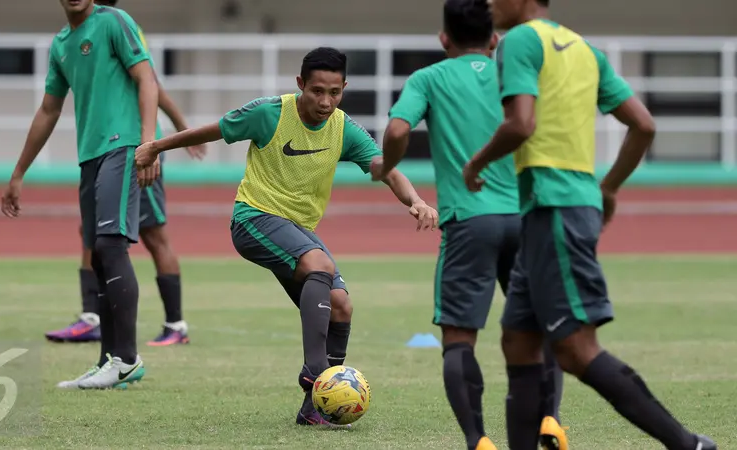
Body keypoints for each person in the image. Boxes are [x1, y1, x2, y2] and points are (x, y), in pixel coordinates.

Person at [134, 47, 439, 426]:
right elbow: (216, 129)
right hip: (254, 219)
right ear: (300, 85)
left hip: (298, 231)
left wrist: (416, 200)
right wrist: (156, 146)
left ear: (343, 87)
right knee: (320, 265)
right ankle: (316, 374)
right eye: (316, 91)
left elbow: (385, 168)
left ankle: (313, 409)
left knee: (341, 305)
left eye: (334, 92)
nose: (325, 101)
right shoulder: (270, 113)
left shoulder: (344, 128)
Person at [463, 0, 718, 449]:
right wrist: (610, 187)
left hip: (554, 209)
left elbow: (521, 124)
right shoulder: (584, 48)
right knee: (518, 342)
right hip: (557, 209)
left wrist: (476, 163)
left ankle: (686, 444)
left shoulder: (520, 40)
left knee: (576, 350)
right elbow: (643, 124)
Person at [373, 1, 562, 448]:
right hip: (523, 214)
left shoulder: (429, 78)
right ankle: (550, 419)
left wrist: (387, 167)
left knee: (459, 337)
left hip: (468, 221)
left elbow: (398, 131)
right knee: (541, 326)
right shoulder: (508, 74)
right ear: (494, 38)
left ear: (444, 39)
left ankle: (479, 439)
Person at [2, 0, 161, 390]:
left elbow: (147, 79)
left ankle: (125, 359)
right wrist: (18, 173)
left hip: (123, 147)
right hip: (89, 156)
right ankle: (110, 361)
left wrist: (149, 143)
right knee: (99, 255)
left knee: (110, 246)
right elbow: (48, 110)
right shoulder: (61, 44)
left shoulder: (113, 22)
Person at [44, 0, 205, 348]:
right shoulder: (76, 35)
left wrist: (176, 131)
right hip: (106, 150)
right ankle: (93, 317)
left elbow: (151, 83)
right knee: (94, 232)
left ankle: (174, 324)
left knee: (150, 235)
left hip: (133, 148)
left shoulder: (118, 25)